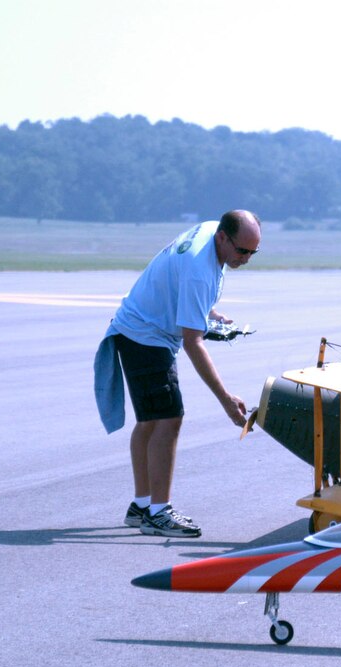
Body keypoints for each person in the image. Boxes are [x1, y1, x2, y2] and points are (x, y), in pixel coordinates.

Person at [94, 210, 261, 537]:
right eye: (242, 251)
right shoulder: (199, 269)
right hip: (145, 336)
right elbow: (193, 342)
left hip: (136, 328)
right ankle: (159, 513)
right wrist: (226, 400)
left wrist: (208, 311)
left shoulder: (212, 230)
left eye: (254, 252)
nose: (246, 258)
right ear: (223, 237)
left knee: (150, 421)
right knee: (169, 419)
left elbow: (179, 281)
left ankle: (141, 506)